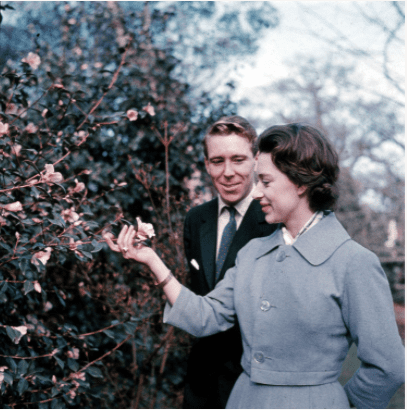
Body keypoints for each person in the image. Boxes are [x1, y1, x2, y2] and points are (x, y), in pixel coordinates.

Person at [105, 123, 404, 409]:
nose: (257, 192)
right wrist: (151, 259)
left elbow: (388, 367)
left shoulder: (354, 263)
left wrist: (336, 402)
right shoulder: (252, 253)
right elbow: (204, 316)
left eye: (266, 181)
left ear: (301, 182)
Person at [182, 116, 277, 408]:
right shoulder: (195, 220)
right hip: (201, 386)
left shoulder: (275, 219)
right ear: (207, 165)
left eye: (238, 159)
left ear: (256, 161)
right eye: (217, 161)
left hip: (255, 382)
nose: (228, 172)